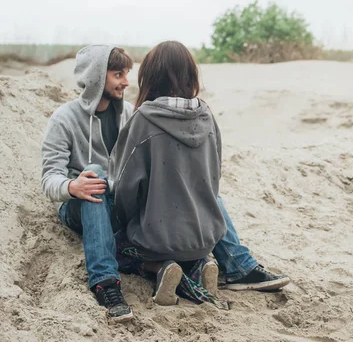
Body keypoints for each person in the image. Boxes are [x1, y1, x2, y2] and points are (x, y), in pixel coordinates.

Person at [41, 44, 289, 322]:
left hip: (122, 199)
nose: (126, 81)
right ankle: (106, 283)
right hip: (82, 204)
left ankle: (231, 266)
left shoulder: (128, 115)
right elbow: (49, 178)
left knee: (204, 191)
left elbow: (135, 177)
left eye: (127, 73)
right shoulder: (64, 118)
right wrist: (72, 187)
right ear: (96, 77)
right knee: (95, 174)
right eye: (117, 74)